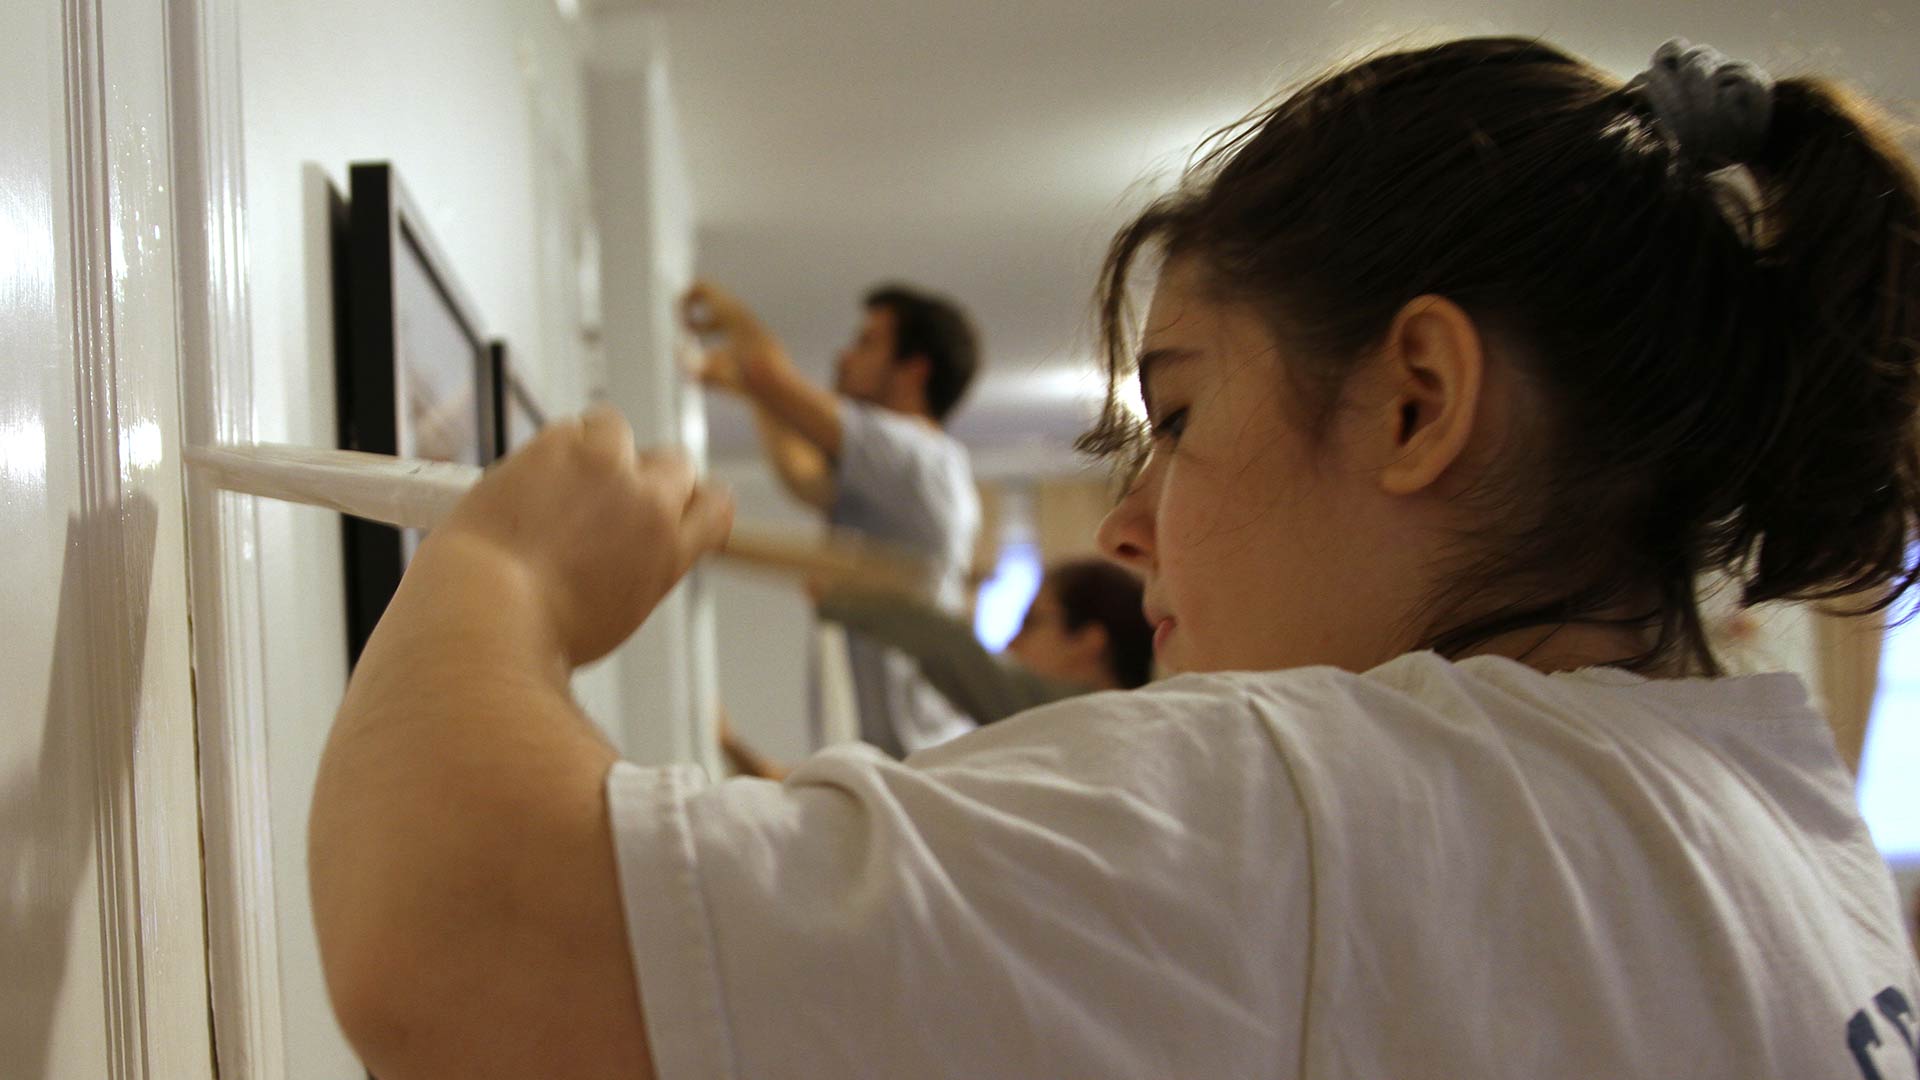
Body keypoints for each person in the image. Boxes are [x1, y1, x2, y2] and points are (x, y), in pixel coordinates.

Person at [307, 36, 1920, 1080]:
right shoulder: (1780, 833)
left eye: (1183, 413)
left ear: (1417, 403)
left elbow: (452, 943)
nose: (1134, 526)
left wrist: (503, 579)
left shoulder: (1327, 802)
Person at [686, 280, 983, 757]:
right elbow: (802, 477)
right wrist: (756, 395)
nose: (844, 357)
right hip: (912, 748)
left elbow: (768, 372)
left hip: (918, 749)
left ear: (914, 370)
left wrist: (736, 318)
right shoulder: (916, 471)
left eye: (866, 342)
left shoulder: (915, 457)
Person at [720, 558, 1153, 778]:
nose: (1011, 643)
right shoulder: (1094, 743)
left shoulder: (1083, 726)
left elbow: (954, 653)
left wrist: (842, 596)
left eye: (1030, 622)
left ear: (1089, 644)